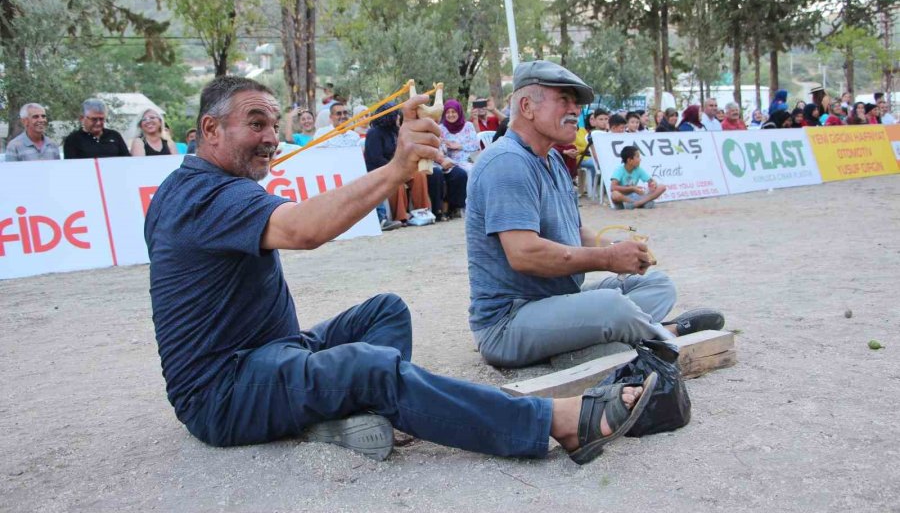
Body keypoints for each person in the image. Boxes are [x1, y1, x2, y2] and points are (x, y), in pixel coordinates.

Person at [145, 75, 660, 466]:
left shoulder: (212, 189)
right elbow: (303, 230)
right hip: (224, 393)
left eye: (270, 125)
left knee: (385, 313)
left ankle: (358, 409)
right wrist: (396, 169)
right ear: (209, 130)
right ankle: (556, 422)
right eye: (255, 123)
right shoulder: (201, 194)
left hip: (270, 356)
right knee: (369, 366)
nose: (269, 137)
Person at [465, 60, 723, 370]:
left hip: (557, 301)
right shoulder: (507, 162)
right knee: (612, 306)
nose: (575, 110)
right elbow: (524, 254)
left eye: (576, 102)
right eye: (564, 100)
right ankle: (665, 334)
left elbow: (576, 232)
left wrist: (616, 247)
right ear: (526, 106)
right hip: (509, 323)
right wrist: (608, 260)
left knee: (658, 285)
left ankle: (592, 343)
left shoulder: (553, 161)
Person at [363, 102, 431, 226]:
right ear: (389, 116)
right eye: (397, 115)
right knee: (396, 180)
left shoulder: (396, 132)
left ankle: (423, 212)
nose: (399, 118)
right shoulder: (374, 133)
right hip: (381, 169)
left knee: (419, 175)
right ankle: (401, 217)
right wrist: (397, 167)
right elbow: (376, 159)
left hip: (399, 167)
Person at [63, 99, 130, 159]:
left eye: (101, 119)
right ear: (82, 118)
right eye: (94, 119)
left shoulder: (114, 136)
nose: (98, 123)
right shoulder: (73, 140)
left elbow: (127, 161)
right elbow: (71, 167)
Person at [610, 146, 666, 210]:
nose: (640, 159)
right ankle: (641, 203)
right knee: (615, 194)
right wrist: (632, 188)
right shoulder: (619, 170)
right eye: (637, 157)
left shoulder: (638, 169)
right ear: (629, 160)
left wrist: (653, 183)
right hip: (624, 198)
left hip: (636, 196)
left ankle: (637, 204)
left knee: (662, 187)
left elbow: (650, 180)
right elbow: (613, 187)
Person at [439, 99, 479, 172]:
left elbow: (475, 146)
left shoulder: (468, 126)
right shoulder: (441, 128)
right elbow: (440, 150)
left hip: (469, 161)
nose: (450, 115)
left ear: (459, 112)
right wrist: (445, 144)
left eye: (453, 112)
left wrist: (460, 146)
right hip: (451, 164)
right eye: (447, 112)